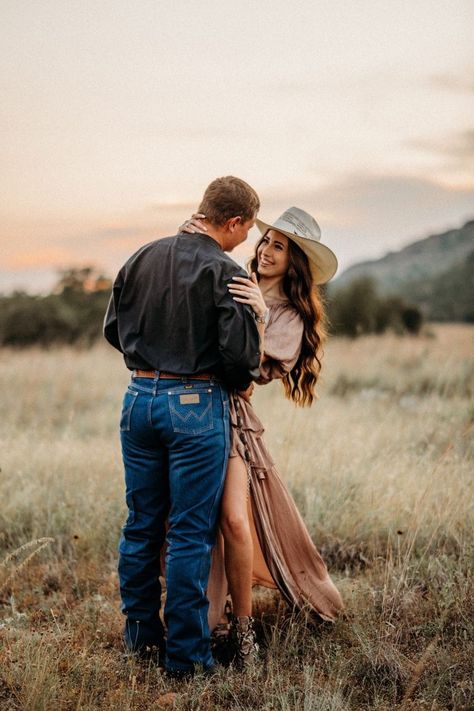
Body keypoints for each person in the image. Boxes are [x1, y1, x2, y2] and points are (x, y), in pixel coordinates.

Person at [103, 176, 262, 677]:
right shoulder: (226, 271)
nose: (247, 241)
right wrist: (251, 325)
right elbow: (240, 363)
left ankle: (142, 640)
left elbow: (113, 330)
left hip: (138, 399)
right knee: (191, 532)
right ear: (233, 222)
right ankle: (189, 657)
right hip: (196, 402)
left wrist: (152, 359)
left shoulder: (140, 256)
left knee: (142, 523)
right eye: (248, 230)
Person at [180, 206, 344, 669]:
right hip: (189, 407)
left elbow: (251, 375)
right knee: (188, 523)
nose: (267, 251)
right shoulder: (231, 276)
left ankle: (244, 631)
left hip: (231, 415)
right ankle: (196, 621)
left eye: (280, 247)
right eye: (266, 241)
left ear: (295, 263)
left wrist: (257, 314)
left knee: (234, 520)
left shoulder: (289, 315)